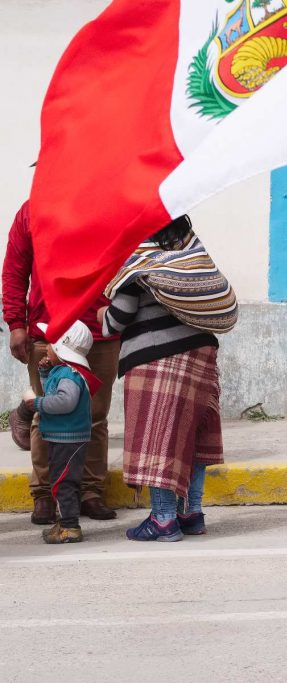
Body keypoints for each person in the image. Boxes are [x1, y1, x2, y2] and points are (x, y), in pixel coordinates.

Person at [101, 215, 226, 542]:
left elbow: (120, 315)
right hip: (202, 352)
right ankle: (191, 514)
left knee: (159, 437)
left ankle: (163, 519)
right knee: (191, 438)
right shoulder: (189, 252)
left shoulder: (139, 259)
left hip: (157, 358)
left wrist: (104, 318)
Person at [2, 199, 120, 525]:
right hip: (47, 333)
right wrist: (15, 324)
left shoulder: (107, 207)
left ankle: (90, 491)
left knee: (95, 416)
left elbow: (127, 263)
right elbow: (14, 269)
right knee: (46, 414)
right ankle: (43, 493)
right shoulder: (30, 212)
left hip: (100, 331)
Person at [24, 321, 102, 544]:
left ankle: (70, 527)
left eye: (51, 343)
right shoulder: (64, 372)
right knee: (62, 480)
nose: (47, 347)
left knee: (64, 482)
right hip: (63, 438)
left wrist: (37, 404)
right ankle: (66, 522)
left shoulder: (69, 375)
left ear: (62, 348)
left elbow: (65, 401)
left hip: (68, 439)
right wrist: (45, 372)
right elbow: (54, 390)